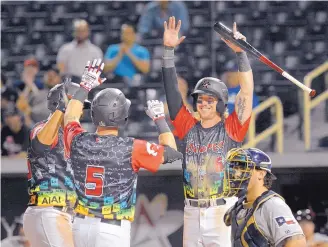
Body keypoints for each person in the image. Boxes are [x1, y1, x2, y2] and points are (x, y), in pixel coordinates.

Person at [63, 59, 183, 247]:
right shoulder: (132, 147)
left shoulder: (78, 140)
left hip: (80, 227)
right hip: (111, 229)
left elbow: (70, 116)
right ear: (123, 117)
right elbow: (172, 153)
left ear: (93, 114)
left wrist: (85, 85)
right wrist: (159, 119)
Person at [162, 17, 253, 246]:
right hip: (191, 212)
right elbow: (172, 95)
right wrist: (168, 52)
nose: (203, 104)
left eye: (210, 100)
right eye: (200, 100)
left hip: (222, 211)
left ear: (221, 103)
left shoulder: (232, 128)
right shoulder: (187, 126)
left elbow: (247, 92)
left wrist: (240, 53)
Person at [23, 79, 90, 247]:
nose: (81, 112)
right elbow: (40, 145)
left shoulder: (72, 135)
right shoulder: (42, 128)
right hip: (49, 211)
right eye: (78, 105)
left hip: (61, 213)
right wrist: (61, 109)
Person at [224, 147, 306, 247]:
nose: (236, 174)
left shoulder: (272, 205)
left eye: (243, 167)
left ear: (261, 174)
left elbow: (297, 243)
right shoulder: (238, 207)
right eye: (235, 168)